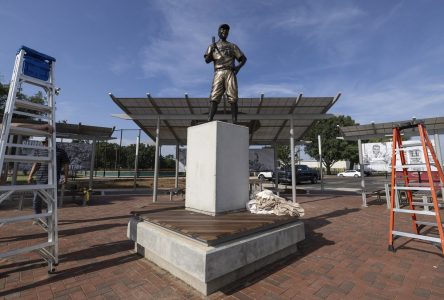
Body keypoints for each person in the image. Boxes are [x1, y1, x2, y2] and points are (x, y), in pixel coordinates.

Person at [204, 24, 247, 123]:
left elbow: (243, 59)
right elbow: (207, 60)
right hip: (218, 72)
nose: (224, 32)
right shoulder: (212, 46)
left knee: (233, 97)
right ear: (218, 31)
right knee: (214, 96)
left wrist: (238, 68)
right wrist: (212, 50)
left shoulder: (232, 46)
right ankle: (209, 119)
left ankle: (234, 120)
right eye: (222, 30)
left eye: (226, 31)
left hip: (229, 72)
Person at [27, 138, 69, 228]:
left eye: (44, 142)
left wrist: (66, 177)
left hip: (53, 181)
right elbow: (36, 164)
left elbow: (66, 164)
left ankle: (48, 221)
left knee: (50, 201)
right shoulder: (39, 151)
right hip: (40, 180)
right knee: (36, 200)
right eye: (42, 142)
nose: (43, 144)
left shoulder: (60, 151)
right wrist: (30, 175)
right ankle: (37, 218)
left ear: (51, 141)